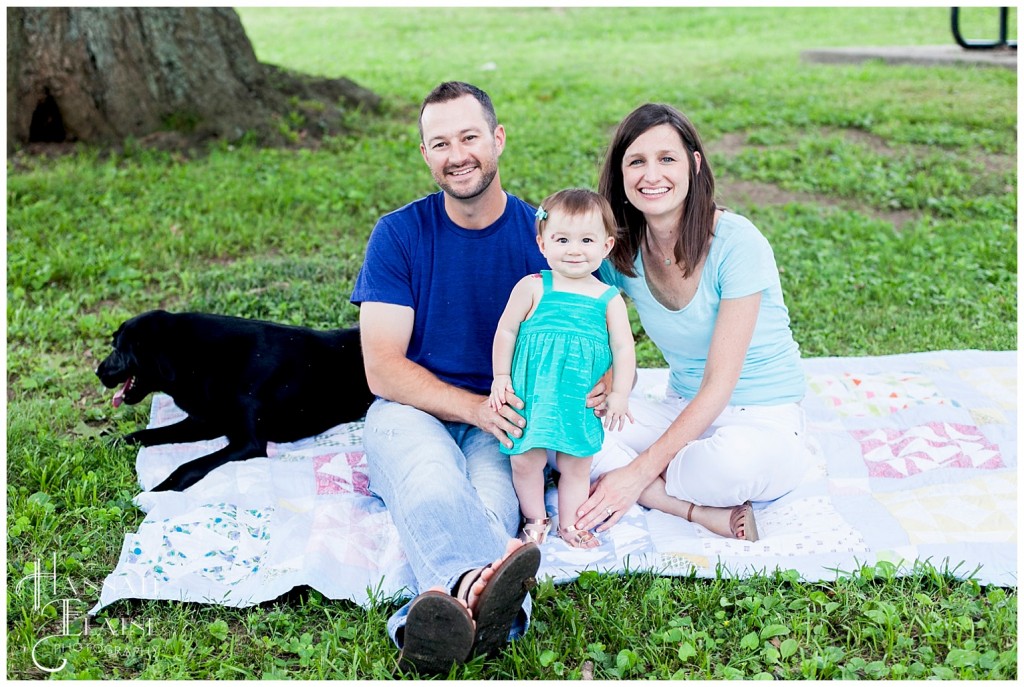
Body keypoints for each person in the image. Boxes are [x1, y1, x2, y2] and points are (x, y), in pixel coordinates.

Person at [351, 81, 557, 674]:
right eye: (440, 143)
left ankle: (429, 617)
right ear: (425, 155)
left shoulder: (547, 237)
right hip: (411, 409)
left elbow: (589, 330)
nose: (457, 154)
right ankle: (490, 605)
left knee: (491, 507)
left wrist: (595, 380)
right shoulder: (399, 234)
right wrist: (473, 408)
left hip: (506, 416)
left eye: (469, 137)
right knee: (434, 484)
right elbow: (382, 368)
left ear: (497, 139)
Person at [572, 103, 811, 542]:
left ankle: (632, 479)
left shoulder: (738, 243)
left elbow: (720, 386)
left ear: (694, 165)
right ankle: (683, 506)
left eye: (667, 159)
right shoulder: (621, 253)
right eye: (637, 162)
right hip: (680, 409)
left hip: (761, 420)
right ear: (621, 176)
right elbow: (584, 311)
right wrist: (607, 374)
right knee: (565, 419)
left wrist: (636, 469)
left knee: (731, 464)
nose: (652, 174)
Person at [489, 189, 636, 549]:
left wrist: (618, 393)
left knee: (576, 464)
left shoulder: (608, 299)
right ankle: (535, 517)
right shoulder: (533, 287)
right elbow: (506, 330)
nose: (574, 249)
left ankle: (569, 524)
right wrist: (501, 377)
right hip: (532, 395)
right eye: (562, 239)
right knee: (526, 459)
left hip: (578, 399)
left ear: (606, 246)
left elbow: (623, 346)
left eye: (587, 240)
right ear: (542, 243)